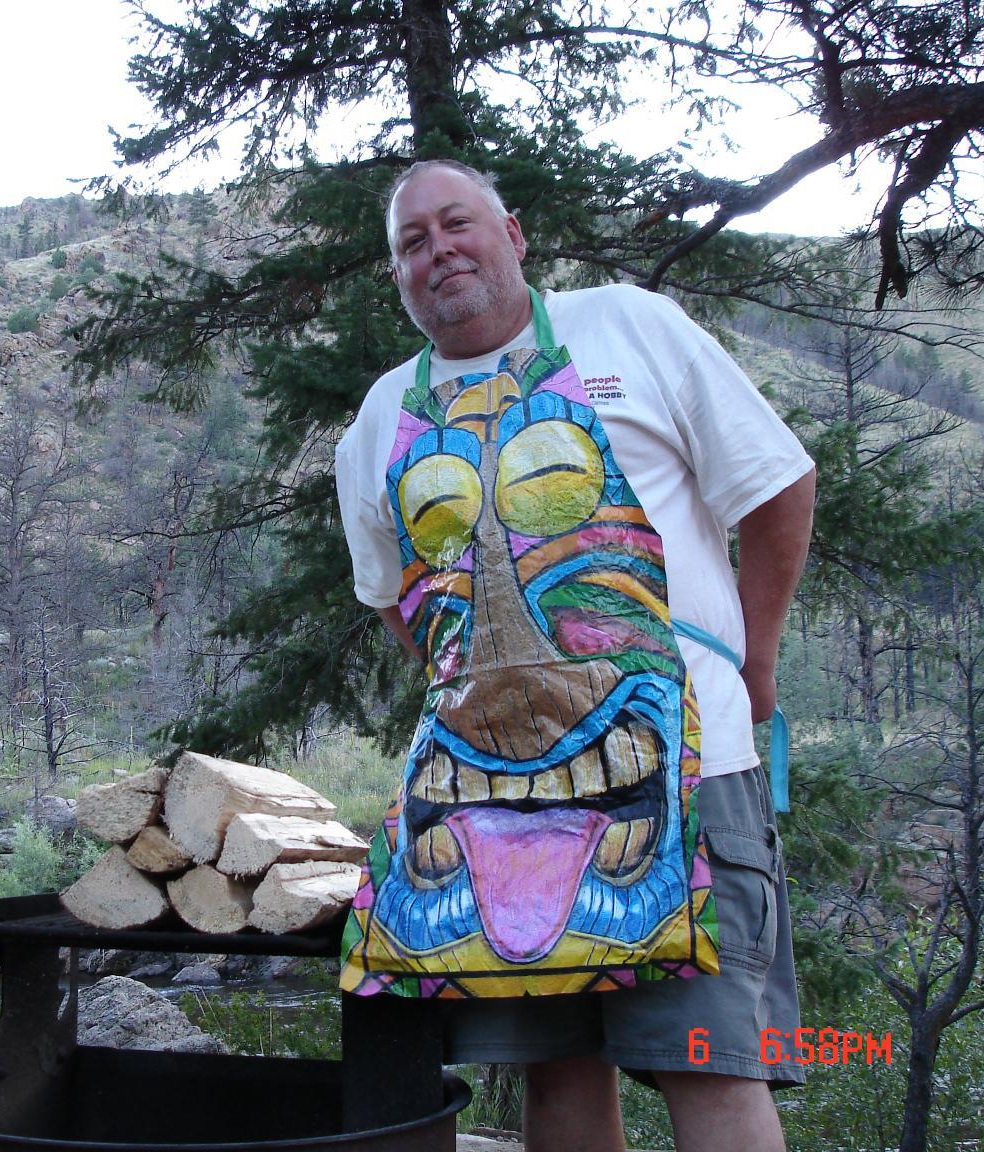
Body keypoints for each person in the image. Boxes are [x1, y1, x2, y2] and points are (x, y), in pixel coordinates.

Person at [334, 159, 816, 1152]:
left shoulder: (629, 326)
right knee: (556, 1077)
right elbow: (390, 594)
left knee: (711, 1069)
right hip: (494, 806)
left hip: (682, 765)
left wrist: (754, 661)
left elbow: (775, 486)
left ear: (512, 234)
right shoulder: (384, 417)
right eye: (412, 243)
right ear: (398, 279)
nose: (439, 251)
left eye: (455, 223)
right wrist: (470, 679)